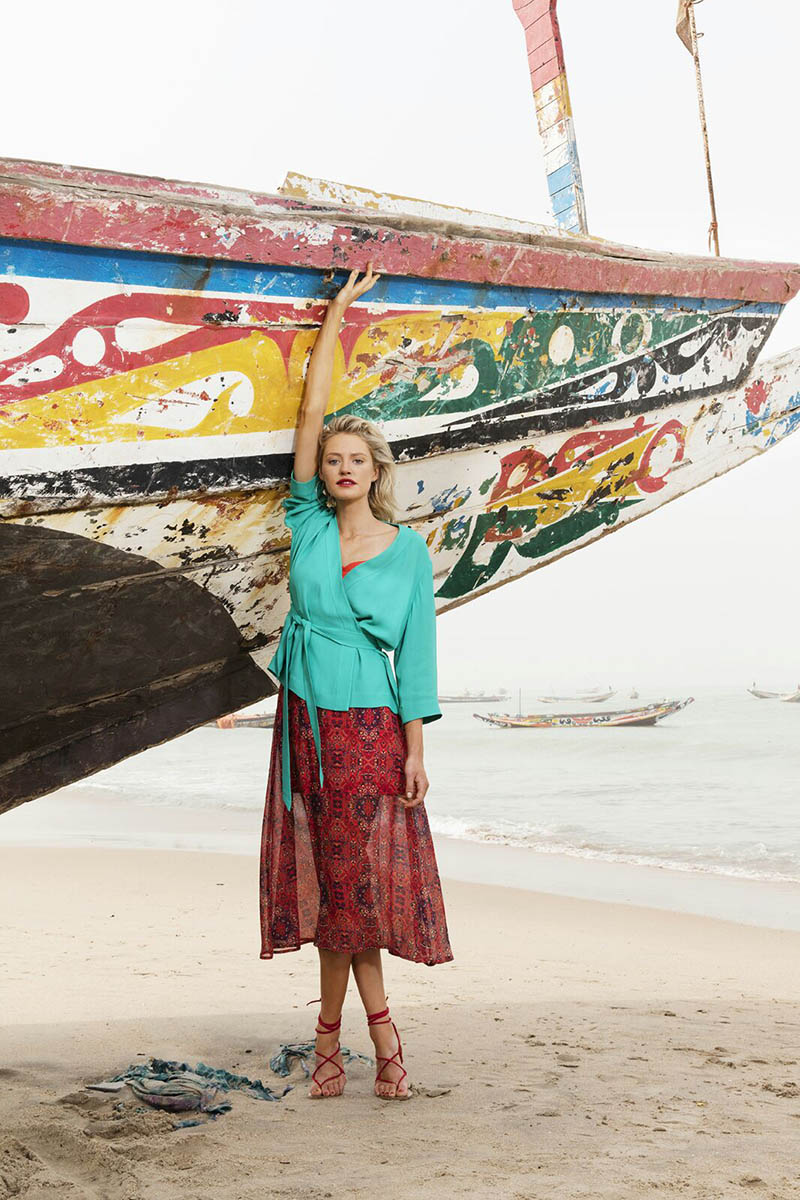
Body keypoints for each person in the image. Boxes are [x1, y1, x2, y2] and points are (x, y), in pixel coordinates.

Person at [259, 262, 452, 1101]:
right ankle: (373, 1042)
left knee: (353, 888)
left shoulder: (407, 553)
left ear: (375, 472)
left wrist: (416, 753)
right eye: (332, 459)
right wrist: (336, 314)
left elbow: (417, 660)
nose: (340, 467)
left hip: (371, 728)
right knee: (338, 890)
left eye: (354, 460)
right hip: (305, 722)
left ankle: (340, 1042)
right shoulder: (304, 520)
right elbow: (311, 412)